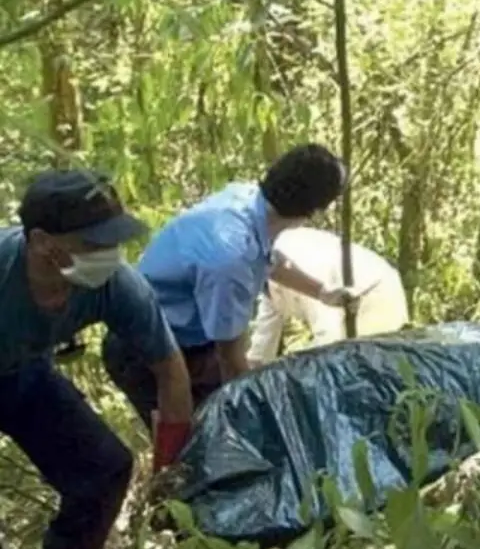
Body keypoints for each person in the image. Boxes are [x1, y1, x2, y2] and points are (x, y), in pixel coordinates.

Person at [0, 169, 194, 549]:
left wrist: (169, 467)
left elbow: (170, 370)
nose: (108, 255)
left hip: (23, 373)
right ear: (43, 242)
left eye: (113, 242)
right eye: (93, 245)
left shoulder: (115, 285)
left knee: (104, 469)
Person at [101, 144, 361, 429]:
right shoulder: (230, 260)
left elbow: (270, 262)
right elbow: (230, 358)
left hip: (191, 343)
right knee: (198, 442)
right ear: (313, 210)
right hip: (144, 353)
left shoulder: (247, 201)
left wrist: (323, 292)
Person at [245, 227, 409, 367]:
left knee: (357, 368)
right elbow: (264, 340)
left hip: (372, 295)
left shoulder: (297, 259)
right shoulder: (267, 278)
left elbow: (328, 334)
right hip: (342, 311)